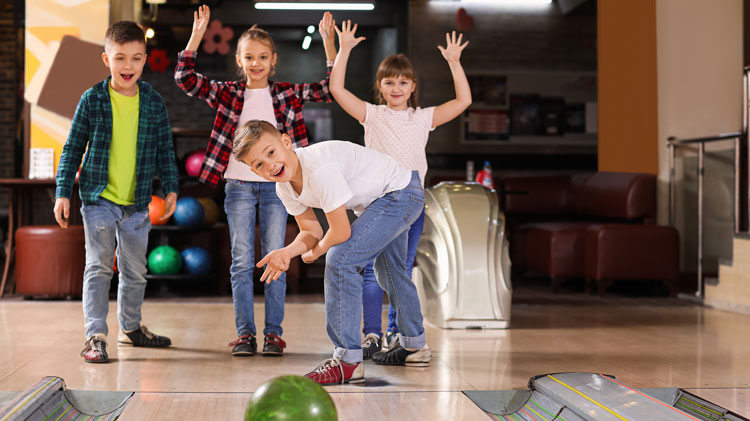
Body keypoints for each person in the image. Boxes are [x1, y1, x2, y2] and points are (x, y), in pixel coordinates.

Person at [175, 5, 336, 357]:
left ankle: (273, 334)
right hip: (239, 187)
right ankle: (245, 334)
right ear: (239, 59)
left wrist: (329, 43)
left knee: (277, 257)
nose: (256, 63)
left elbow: (329, 89)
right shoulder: (228, 93)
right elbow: (185, 79)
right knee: (242, 260)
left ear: (273, 59)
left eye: (263, 57)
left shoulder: (286, 94)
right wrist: (197, 36)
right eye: (249, 57)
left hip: (281, 189)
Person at [232, 120, 431, 385]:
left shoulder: (318, 169)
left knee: (340, 260)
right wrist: (287, 253)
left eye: (271, 153)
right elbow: (310, 231)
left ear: (286, 142)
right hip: (388, 198)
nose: (270, 165)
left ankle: (347, 361)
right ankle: (415, 346)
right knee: (389, 272)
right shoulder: (285, 187)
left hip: (402, 194)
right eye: (258, 165)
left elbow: (340, 232)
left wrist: (317, 252)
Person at [330, 21, 471, 357]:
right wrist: (344, 50)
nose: (396, 87)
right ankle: (371, 334)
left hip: (409, 204)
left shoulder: (423, 118)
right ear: (380, 86)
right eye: (389, 81)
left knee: (400, 270)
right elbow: (337, 89)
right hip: (377, 204)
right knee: (370, 272)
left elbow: (464, 100)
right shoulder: (373, 115)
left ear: (412, 87)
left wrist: (454, 62)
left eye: (403, 82)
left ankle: (398, 334)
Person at [54, 21, 179, 363]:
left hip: (137, 203)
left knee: (135, 270)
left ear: (144, 60)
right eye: (120, 58)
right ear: (106, 59)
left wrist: (171, 188)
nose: (128, 66)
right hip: (98, 199)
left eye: (136, 59)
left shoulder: (152, 101)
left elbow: (165, 149)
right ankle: (95, 335)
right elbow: (72, 148)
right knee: (98, 266)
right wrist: (63, 192)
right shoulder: (93, 99)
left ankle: (131, 327)